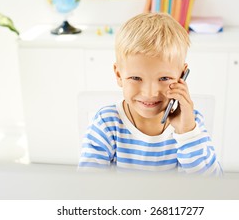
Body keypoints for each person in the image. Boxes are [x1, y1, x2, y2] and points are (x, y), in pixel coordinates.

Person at [78, 12, 222, 176]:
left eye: (164, 78)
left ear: (182, 76)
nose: (150, 93)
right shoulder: (107, 123)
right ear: (119, 75)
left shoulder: (190, 123)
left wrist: (187, 133)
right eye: (136, 78)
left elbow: (212, 186)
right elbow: (87, 185)